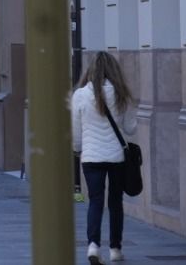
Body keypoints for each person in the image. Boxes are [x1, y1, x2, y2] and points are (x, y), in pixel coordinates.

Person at [72, 52, 138, 264]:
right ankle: (115, 249)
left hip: (91, 157)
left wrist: (77, 148)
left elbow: (75, 131)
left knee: (95, 201)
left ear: (91, 71)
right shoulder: (121, 95)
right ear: (114, 71)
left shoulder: (80, 95)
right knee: (115, 202)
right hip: (116, 157)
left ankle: (93, 246)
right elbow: (130, 128)